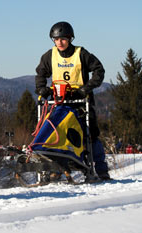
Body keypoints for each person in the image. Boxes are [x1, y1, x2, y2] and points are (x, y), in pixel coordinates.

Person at [35, 21, 110, 180]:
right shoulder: (50, 56)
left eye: (63, 39)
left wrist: (86, 89)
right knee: (55, 130)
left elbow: (99, 70)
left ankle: (101, 171)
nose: (60, 43)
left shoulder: (81, 53)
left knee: (91, 134)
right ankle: (57, 167)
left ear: (70, 39)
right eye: (56, 39)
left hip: (81, 102)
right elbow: (40, 74)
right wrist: (42, 88)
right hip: (59, 101)